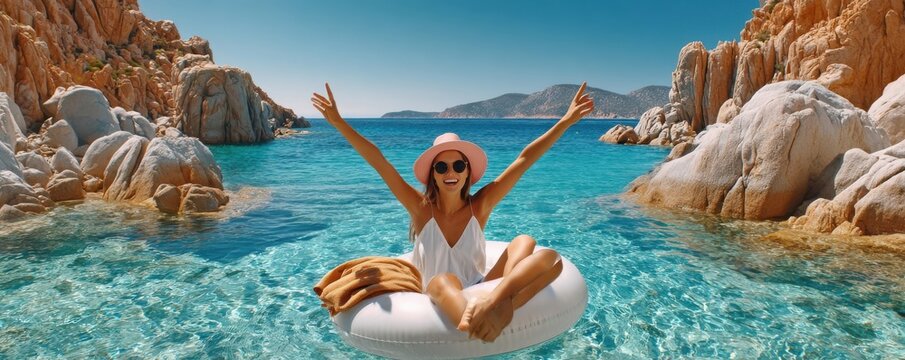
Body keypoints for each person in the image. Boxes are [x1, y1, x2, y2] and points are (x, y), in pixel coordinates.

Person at [310, 82, 594, 342]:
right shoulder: (421, 209)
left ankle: (498, 303)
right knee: (445, 280)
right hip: (437, 293)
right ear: (432, 174)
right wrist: (339, 123)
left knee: (530, 244)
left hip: (485, 287)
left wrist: (566, 121)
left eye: (459, 166)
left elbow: (525, 158)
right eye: (441, 167)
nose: (450, 173)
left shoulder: (480, 205)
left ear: (468, 172)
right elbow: (379, 161)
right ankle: (492, 311)